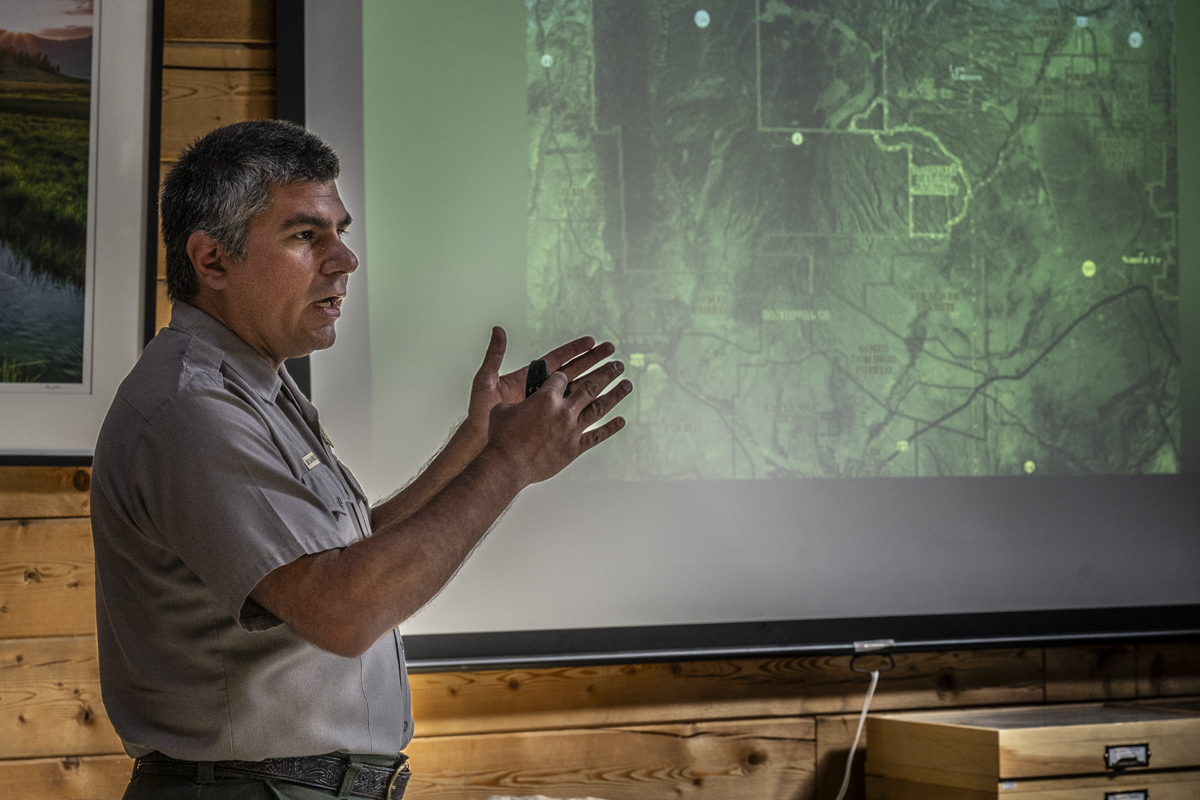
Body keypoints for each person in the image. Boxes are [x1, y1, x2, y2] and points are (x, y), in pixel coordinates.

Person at [90, 119, 631, 800]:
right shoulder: (193, 409)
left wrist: (480, 440)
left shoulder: (251, 385)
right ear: (212, 261)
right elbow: (343, 609)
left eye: (340, 231)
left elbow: (345, 558)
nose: (344, 259)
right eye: (304, 235)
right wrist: (510, 466)